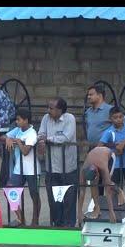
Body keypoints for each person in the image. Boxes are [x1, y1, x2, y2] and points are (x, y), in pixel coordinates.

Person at [37, 97, 77, 227]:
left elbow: (66, 137)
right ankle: (57, 224)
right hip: (51, 167)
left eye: (51, 108)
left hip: (68, 167)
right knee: (54, 200)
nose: (48, 110)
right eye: (48, 107)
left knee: (69, 199)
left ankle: (69, 225)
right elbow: (40, 134)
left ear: (60, 110)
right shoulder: (45, 118)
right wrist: (43, 139)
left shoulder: (69, 118)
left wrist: (47, 139)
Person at [5, 107, 41, 226]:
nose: (17, 121)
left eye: (19, 120)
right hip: (19, 168)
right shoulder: (17, 129)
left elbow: (26, 151)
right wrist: (9, 139)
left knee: (34, 195)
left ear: (26, 120)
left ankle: (35, 221)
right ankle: (21, 218)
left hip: (32, 169)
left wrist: (19, 142)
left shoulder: (32, 133)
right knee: (9, 190)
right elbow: (7, 136)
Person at [77, 146, 125, 225]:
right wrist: (79, 213)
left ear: (97, 171)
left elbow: (107, 190)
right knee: (93, 185)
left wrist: (111, 211)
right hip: (95, 156)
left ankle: (119, 191)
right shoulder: (83, 170)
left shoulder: (103, 166)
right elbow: (82, 192)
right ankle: (97, 208)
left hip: (109, 156)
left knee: (107, 182)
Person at [98, 106, 125, 195]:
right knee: (114, 189)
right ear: (110, 119)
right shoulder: (109, 132)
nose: (118, 120)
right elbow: (100, 147)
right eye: (115, 117)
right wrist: (113, 152)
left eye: (121, 117)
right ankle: (116, 208)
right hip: (115, 165)